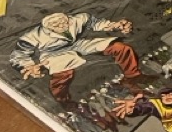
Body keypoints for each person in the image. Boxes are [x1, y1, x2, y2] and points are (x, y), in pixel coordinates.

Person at [10, 11, 140, 104]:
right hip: (53, 53)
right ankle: (63, 100)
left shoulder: (80, 18)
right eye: (56, 25)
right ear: (47, 28)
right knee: (64, 74)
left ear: (67, 19)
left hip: (77, 44)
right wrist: (27, 65)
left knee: (120, 47)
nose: (61, 26)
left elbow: (96, 23)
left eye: (63, 22)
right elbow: (18, 55)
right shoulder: (32, 37)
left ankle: (133, 77)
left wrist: (114, 25)